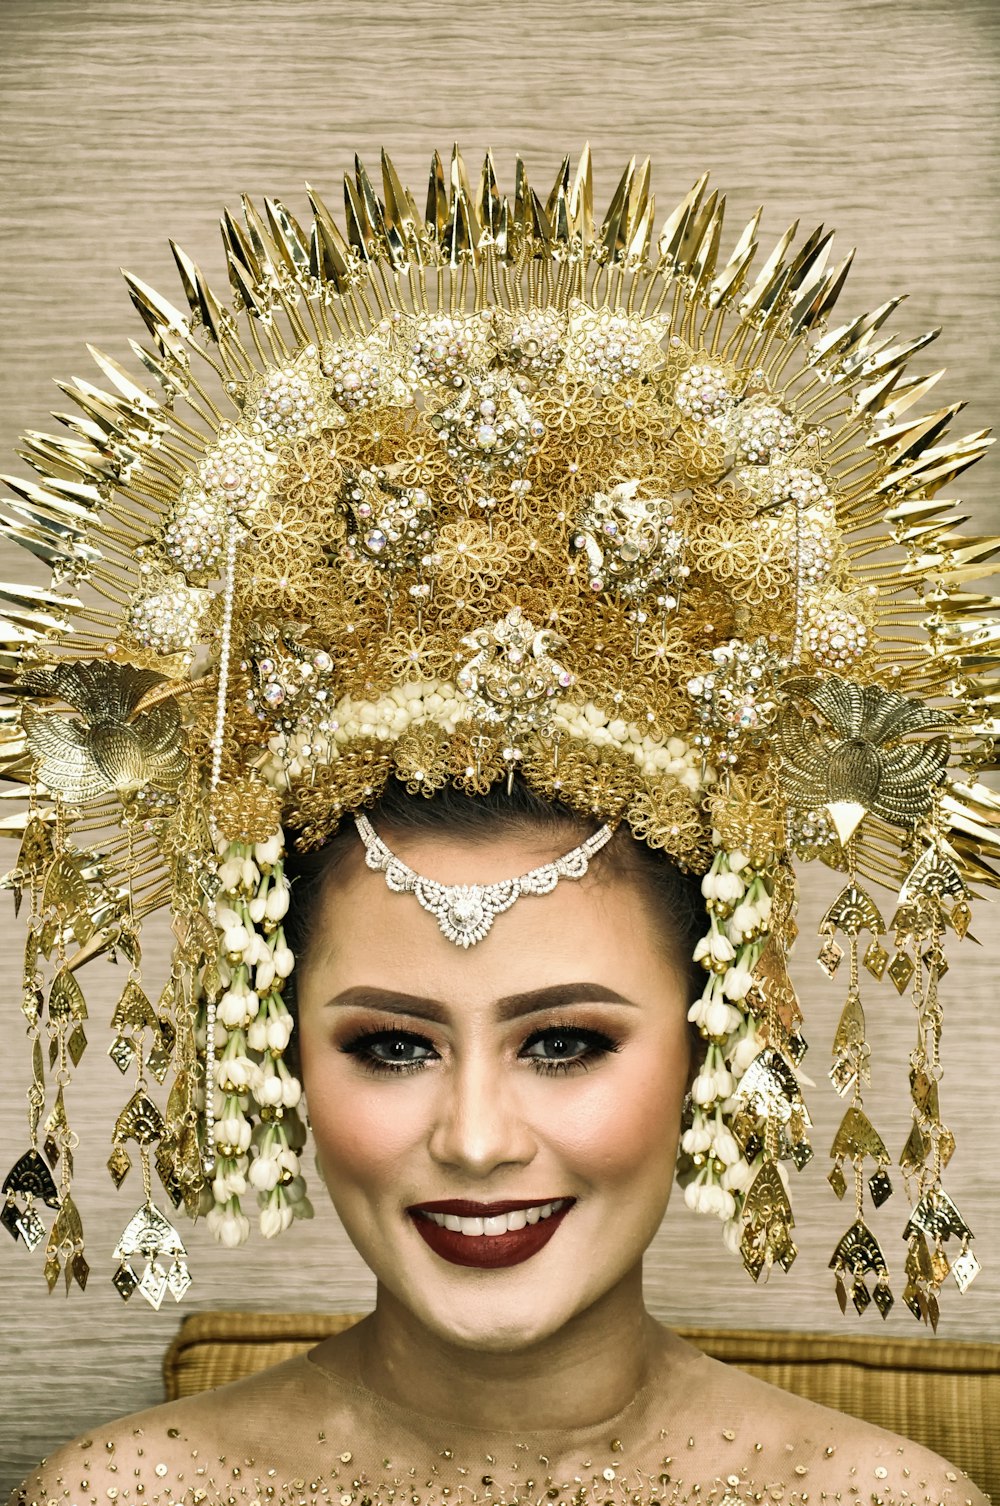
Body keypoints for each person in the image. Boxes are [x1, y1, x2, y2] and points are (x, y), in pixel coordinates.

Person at [3, 151, 997, 1503]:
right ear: (269, 1044)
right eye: (393, 1042)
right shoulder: (126, 1493)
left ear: (728, 1031)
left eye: (567, 1040)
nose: (475, 1136)